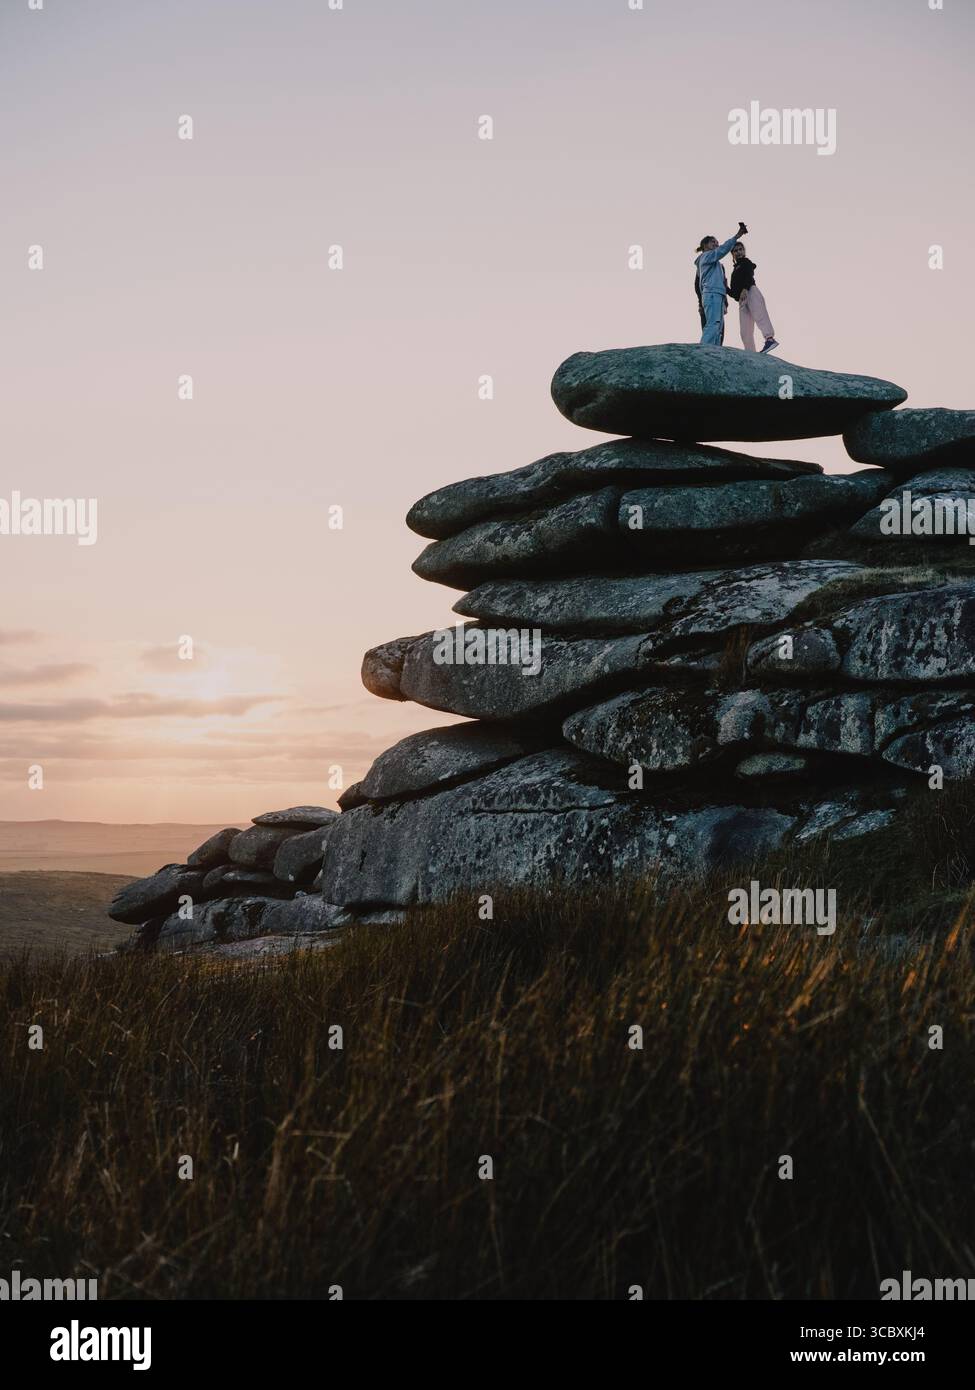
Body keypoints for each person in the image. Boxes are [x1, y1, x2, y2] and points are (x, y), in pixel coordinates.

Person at [694, 223, 747, 345]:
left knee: (717, 327)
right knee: (713, 324)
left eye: (717, 243)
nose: (716, 244)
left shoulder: (715, 263)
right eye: (713, 242)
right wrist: (737, 236)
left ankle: (714, 352)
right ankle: (704, 349)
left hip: (716, 295)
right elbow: (722, 250)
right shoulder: (706, 257)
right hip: (712, 294)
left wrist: (725, 302)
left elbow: (722, 282)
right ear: (705, 245)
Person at [729, 242, 779, 354]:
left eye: (740, 249)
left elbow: (749, 274)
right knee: (745, 330)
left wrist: (745, 289)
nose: (738, 252)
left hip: (750, 291)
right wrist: (725, 287)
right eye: (735, 251)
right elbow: (734, 293)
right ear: (732, 254)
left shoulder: (746, 263)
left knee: (760, 314)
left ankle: (770, 339)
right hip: (742, 300)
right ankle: (750, 352)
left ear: (744, 251)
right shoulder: (735, 270)